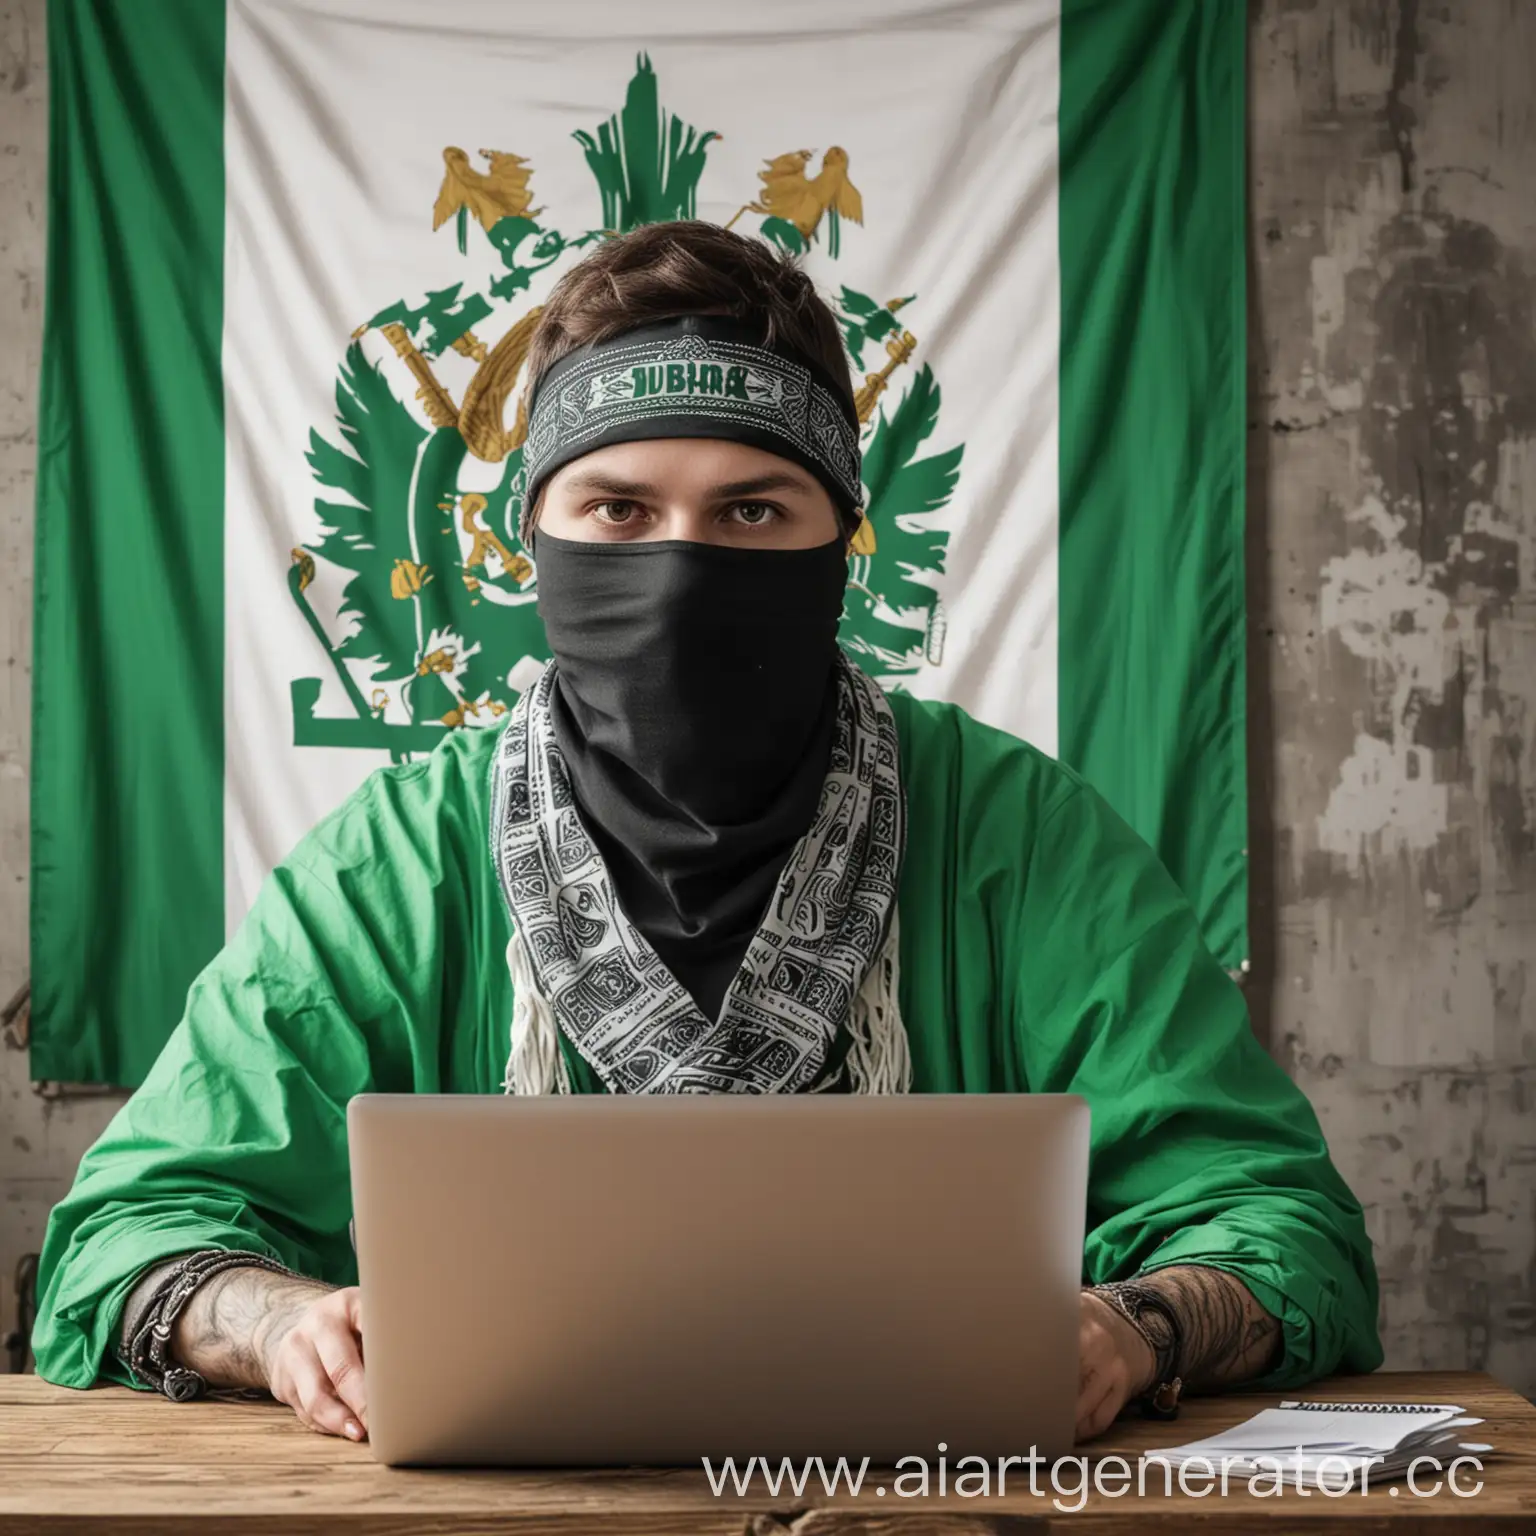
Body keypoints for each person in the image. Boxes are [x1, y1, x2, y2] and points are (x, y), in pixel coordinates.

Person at [32, 220, 1382, 1446]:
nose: (679, 569)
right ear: (534, 541)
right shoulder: (401, 858)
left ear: (841, 541)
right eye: (618, 511)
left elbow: (1284, 1228)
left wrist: (1134, 1327)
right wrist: (282, 1328)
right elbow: (125, 1235)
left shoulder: (1023, 838)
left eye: (750, 512)